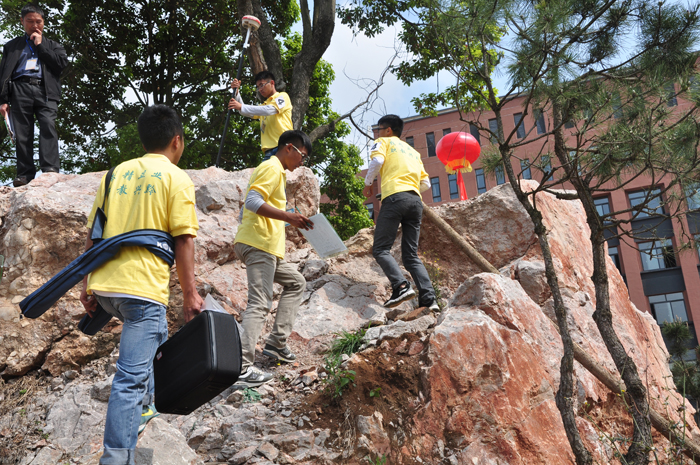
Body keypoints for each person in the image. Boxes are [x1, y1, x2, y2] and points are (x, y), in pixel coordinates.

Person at [80, 105, 202, 465]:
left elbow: (94, 232)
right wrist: (191, 294)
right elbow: (183, 240)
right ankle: (116, 458)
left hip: (106, 287)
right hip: (141, 291)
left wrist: (86, 285)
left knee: (155, 337)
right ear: (176, 140)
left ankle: (147, 406)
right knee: (129, 380)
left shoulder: (115, 174)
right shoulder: (176, 179)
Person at [233, 130, 314, 387]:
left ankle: (276, 344)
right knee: (259, 303)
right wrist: (289, 217)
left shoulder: (277, 173)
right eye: (302, 155)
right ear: (289, 148)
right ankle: (241, 367)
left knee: (296, 283)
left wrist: (291, 216)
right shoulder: (270, 167)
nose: (302, 162)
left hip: (268, 248)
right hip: (258, 244)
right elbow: (252, 202)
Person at [363, 114, 439, 311]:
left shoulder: (383, 142)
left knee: (380, 249)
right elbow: (426, 183)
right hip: (415, 201)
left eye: (379, 130)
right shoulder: (413, 152)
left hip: (395, 198)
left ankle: (401, 286)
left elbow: (377, 161)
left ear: (388, 131)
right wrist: (406, 191)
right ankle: (430, 299)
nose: (377, 134)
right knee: (411, 255)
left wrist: (368, 183)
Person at [0, 3, 67, 187]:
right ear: (22, 21)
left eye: (38, 21)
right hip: (19, 89)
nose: (35, 25)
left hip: (45, 90)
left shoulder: (54, 45)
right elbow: (4, 73)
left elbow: (60, 65)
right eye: (30, 21)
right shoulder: (11, 46)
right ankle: (24, 175)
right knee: (22, 133)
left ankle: (50, 170)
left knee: (48, 126)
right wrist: (3, 100)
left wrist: (40, 47)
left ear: (44, 23)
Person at [227, 71, 293, 161]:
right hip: (269, 151)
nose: (260, 89)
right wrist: (236, 92)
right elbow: (247, 112)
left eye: (262, 85)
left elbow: (270, 110)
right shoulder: (264, 105)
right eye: (258, 87)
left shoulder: (282, 96)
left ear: (272, 83)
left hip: (283, 147)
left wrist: (241, 106)